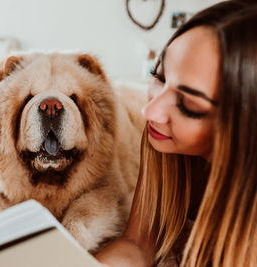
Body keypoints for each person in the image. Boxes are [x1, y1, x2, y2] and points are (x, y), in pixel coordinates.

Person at [95, 1, 257, 266]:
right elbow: (137, 243)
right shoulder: (163, 143)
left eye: (189, 106)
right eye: (158, 76)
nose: (150, 111)